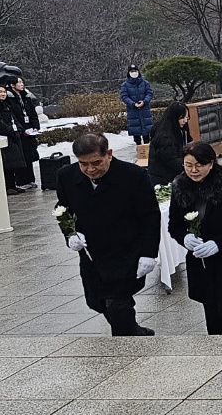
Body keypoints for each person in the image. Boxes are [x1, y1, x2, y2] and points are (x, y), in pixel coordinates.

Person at [55, 133, 160, 336]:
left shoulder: (133, 176)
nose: (90, 169)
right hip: (92, 253)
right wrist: (70, 234)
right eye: (83, 164)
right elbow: (63, 209)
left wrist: (149, 253)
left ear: (109, 154)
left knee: (118, 304)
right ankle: (136, 332)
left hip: (126, 250)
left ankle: (126, 353)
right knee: (97, 302)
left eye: (96, 162)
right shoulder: (66, 176)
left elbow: (150, 215)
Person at [168, 141, 222, 335]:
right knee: (210, 308)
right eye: (188, 165)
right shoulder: (180, 187)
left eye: (199, 165)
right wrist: (185, 238)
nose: (193, 170)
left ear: (211, 163)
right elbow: (174, 225)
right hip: (200, 259)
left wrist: (218, 243)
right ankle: (218, 348)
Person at [0, 84, 30, 194]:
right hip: (3, 136)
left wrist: (19, 129)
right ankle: (7, 186)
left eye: (4, 92)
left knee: (14, 163)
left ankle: (12, 184)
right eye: (0, 92)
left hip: (12, 135)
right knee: (7, 164)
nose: (3, 94)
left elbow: (14, 119)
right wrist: (9, 129)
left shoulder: (7, 105)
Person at [3, 77, 42, 190]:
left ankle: (30, 179)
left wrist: (35, 127)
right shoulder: (9, 98)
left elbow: (33, 113)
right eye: (19, 82)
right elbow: (13, 116)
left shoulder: (25, 96)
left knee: (29, 155)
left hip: (29, 130)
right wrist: (21, 129)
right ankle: (21, 180)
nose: (22, 84)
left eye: (22, 82)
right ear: (12, 85)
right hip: (19, 131)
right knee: (21, 156)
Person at [148, 101, 190, 188]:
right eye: (183, 118)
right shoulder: (165, 136)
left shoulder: (180, 129)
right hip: (163, 179)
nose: (185, 120)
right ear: (175, 118)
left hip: (172, 175)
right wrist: (188, 167)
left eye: (187, 117)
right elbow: (171, 159)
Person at [120, 65, 154, 146]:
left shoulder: (145, 83)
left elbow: (149, 93)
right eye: (132, 71)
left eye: (135, 71)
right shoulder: (125, 85)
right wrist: (132, 104)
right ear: (128, 73)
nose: (134, 73)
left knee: (147, 133)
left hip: (144, 110)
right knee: (136, 133)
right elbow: (124, 96)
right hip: (133, 111)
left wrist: (145, 101)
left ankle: (147, 149)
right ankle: (139, 149)